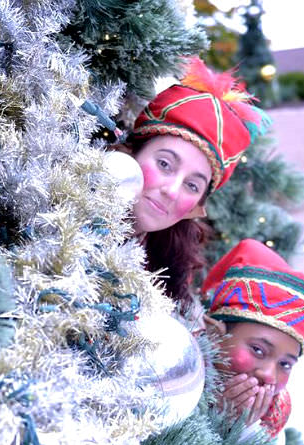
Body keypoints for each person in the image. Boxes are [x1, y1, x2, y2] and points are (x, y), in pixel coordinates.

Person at [109, 56, 271, 312]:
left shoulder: (170, 271)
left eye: (192, 186)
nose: (171, 191)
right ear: (131, 152)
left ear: (198, 206)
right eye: (164, 164)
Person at [200, 238, 304, 445]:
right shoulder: (173, 378)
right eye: (258, 350)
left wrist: (241, 431)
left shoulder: (269, 419)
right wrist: (213, 422)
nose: (269, 374)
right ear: (214, 334)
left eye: (285, 364)